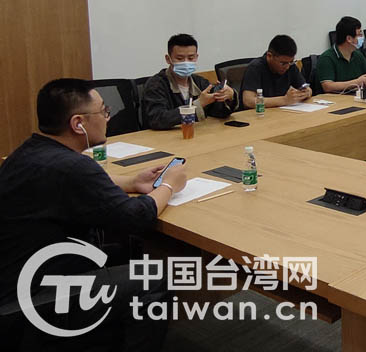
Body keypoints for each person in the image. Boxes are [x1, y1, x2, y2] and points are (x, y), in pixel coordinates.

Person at [0, 78, 188, 349]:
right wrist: (169, 186)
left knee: (126, 251)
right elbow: (136, 217)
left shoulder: (31, 151)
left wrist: (132, 182)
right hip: (29, 297)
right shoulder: (72, 167)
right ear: (78, 123)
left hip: (20, 274)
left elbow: (79, 183)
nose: (108, 117)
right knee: (151, 280)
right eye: (103, 111)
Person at [142, 33, 237, 130]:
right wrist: (197, 105)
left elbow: (219, 113)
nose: (186, 62)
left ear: (196, 57)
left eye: (191, 58)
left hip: (197, 133)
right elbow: (157, 120)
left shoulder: (200, 82)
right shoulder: (156, 85)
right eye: (180, 58)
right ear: (168, 59)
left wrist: (229, 96)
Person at [241, 35, 312, 108]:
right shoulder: (255, 67)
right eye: (283, 63)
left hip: (280, 111)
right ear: (269, 56)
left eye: (291, 62)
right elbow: (248, 101)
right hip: (257, 113)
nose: (287, 67)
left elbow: (306, 88)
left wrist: (306, 93)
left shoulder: (290, 65)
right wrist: (284, 100)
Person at [316, 16, 366, 93]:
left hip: (356, 96)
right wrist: (357, 82)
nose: (362, 38)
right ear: (349, 39)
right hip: (337, 99)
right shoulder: (327, 58)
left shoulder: (358, 55)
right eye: (359, 35)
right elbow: (328, 86)